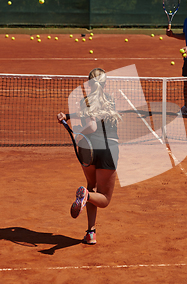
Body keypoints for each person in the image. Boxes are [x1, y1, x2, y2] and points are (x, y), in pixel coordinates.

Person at [57, 68, 121, 245]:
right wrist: (78, 133)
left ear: (88, 83)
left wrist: (69, 118)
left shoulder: (84, 101)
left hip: (90, 149)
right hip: (109, 149)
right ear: (105, 83)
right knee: (104, 199)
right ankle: (86, 196)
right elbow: (93, 124)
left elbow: (90, 117)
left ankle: (90, 233)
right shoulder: (110, 100)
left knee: (91, 186)